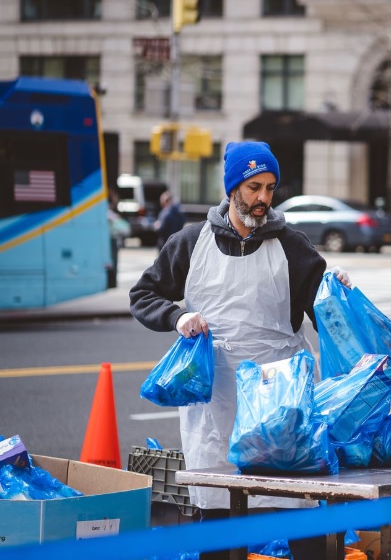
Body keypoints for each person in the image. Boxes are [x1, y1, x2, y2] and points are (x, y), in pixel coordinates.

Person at [129, 141, 348, 560]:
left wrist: (341, 298)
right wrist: (177, 318)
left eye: (269, 187)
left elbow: (327, 315)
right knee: (219, 514)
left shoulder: (293, 247)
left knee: (298, 507)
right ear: (231, 188)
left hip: (280, 401)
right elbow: (143, 294)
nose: (263, 198)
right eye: (253, 187)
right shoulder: (191, 242)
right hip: (217, 402)